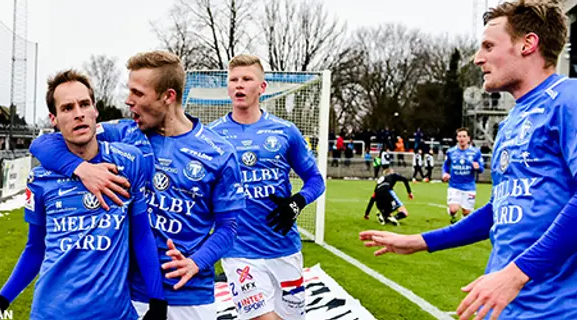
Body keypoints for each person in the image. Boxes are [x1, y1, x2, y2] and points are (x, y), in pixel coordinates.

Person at [360, 1, 577, 319]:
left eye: (489, 46)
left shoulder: (568, 99)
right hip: (506, 305)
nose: (478, 58)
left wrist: (516, 274)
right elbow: (499, 211)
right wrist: (421, 241)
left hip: (555, 308)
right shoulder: (514, 120)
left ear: (528, 44)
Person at [28, 51, 244, 320]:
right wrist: (81, 169)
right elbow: (43, 143)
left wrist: (195, 262)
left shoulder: (219, 152)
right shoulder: (124, 132)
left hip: (191, 296)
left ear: (168, 96)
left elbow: (229, 227)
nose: (129, 101)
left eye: (138, 93)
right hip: (133, 295)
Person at [0, 70, 166, 319]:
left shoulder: (128, 163)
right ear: (53, 119)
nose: (78, 113)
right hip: (52, 313)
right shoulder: (40, 179)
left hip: (117, 314)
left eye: (84, 104)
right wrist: (0, 302)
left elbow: (142, 235)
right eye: (67, 108)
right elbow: (35, 248)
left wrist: (158, 302)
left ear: (95, 111)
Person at [208, 54, 325, 320]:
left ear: (262, 87)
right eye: (234, 79)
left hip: (284, 247)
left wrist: (297, 202)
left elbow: (316, 180)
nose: (239, 85)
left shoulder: (285, 131)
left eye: (247, 79)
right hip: (238, 251)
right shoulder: (212, 135)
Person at [442, 128, 484, 223]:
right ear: (457, 138)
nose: (462, 138)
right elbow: (446, 165)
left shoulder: (475, 152)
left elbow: (481, 169)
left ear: (468, 138)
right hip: (454, 185)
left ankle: (461, 225)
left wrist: (477, 167)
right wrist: (445, 173)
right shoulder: (451, 152)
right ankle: (453, 216)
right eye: (459, 136)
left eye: (464, 136)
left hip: (469, 186)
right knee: (453, 209)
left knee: (466, 213)